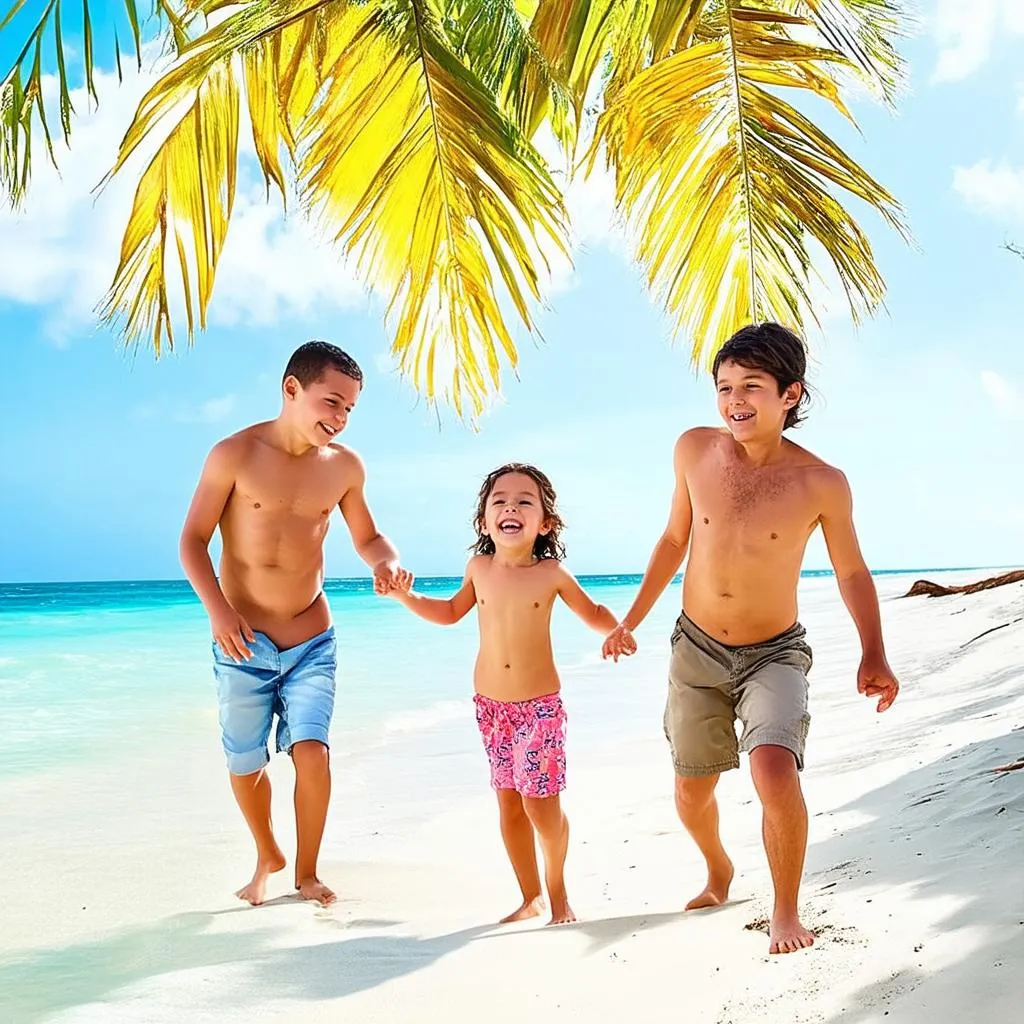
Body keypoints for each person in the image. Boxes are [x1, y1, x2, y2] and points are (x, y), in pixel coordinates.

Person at [602, 322, 899, 954]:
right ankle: (717, 867)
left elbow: (851, 569)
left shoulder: (821, 482)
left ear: (790, 394)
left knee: (773, 770)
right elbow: (674, 540)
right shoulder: (693, 450)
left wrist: (873, 652)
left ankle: (785, 911)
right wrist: (631, 618)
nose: (735, 399)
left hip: (774, 653)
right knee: (691, 788)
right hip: (696, 648)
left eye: (752, 387)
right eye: (725, 386)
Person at [180, 340, 407, 907]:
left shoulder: (345, 468)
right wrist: (219, 610)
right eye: (331, 402)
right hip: (242, 641)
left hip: (312, 637)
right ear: (291, 389)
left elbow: (368, 537)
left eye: (349, 409)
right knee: (244, 761)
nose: (339, 418)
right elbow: (192, 540)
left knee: (312, 751)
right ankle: (267, 851)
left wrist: (386, 563)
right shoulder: (233, 454)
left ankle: (306, 874)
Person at [387, 463, 634, 925]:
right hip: (490, 708)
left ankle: (559, 893)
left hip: (538, 708)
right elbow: (448, 613)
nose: (510, 507)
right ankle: (530, 896)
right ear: (484, 520)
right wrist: (406, 597)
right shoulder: (478, 568)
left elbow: (594, 609)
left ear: (545, 523)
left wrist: (618, 629)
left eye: (524, 501)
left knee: (541, 807)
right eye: (499, 500)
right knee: (509, 803)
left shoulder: (552, 573)